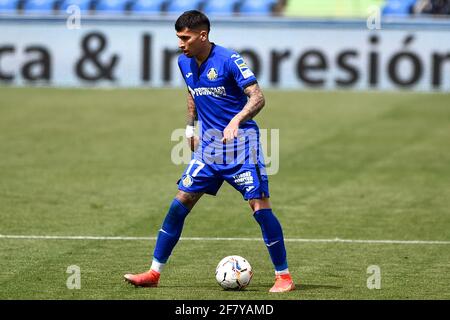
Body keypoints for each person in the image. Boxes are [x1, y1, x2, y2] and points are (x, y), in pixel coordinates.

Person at [124, 10, 295, 293]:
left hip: (241, 147)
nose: (181, 44)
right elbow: (192, 92)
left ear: (202, 35)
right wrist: (191, 128)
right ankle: (154, 273)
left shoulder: (228, 60)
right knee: (180, 202)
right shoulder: (184, 62)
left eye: (185, 38)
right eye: (178, 38)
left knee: (259, 207)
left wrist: (236, 120)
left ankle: (284, 277)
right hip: (209, 150)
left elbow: (258, 96)